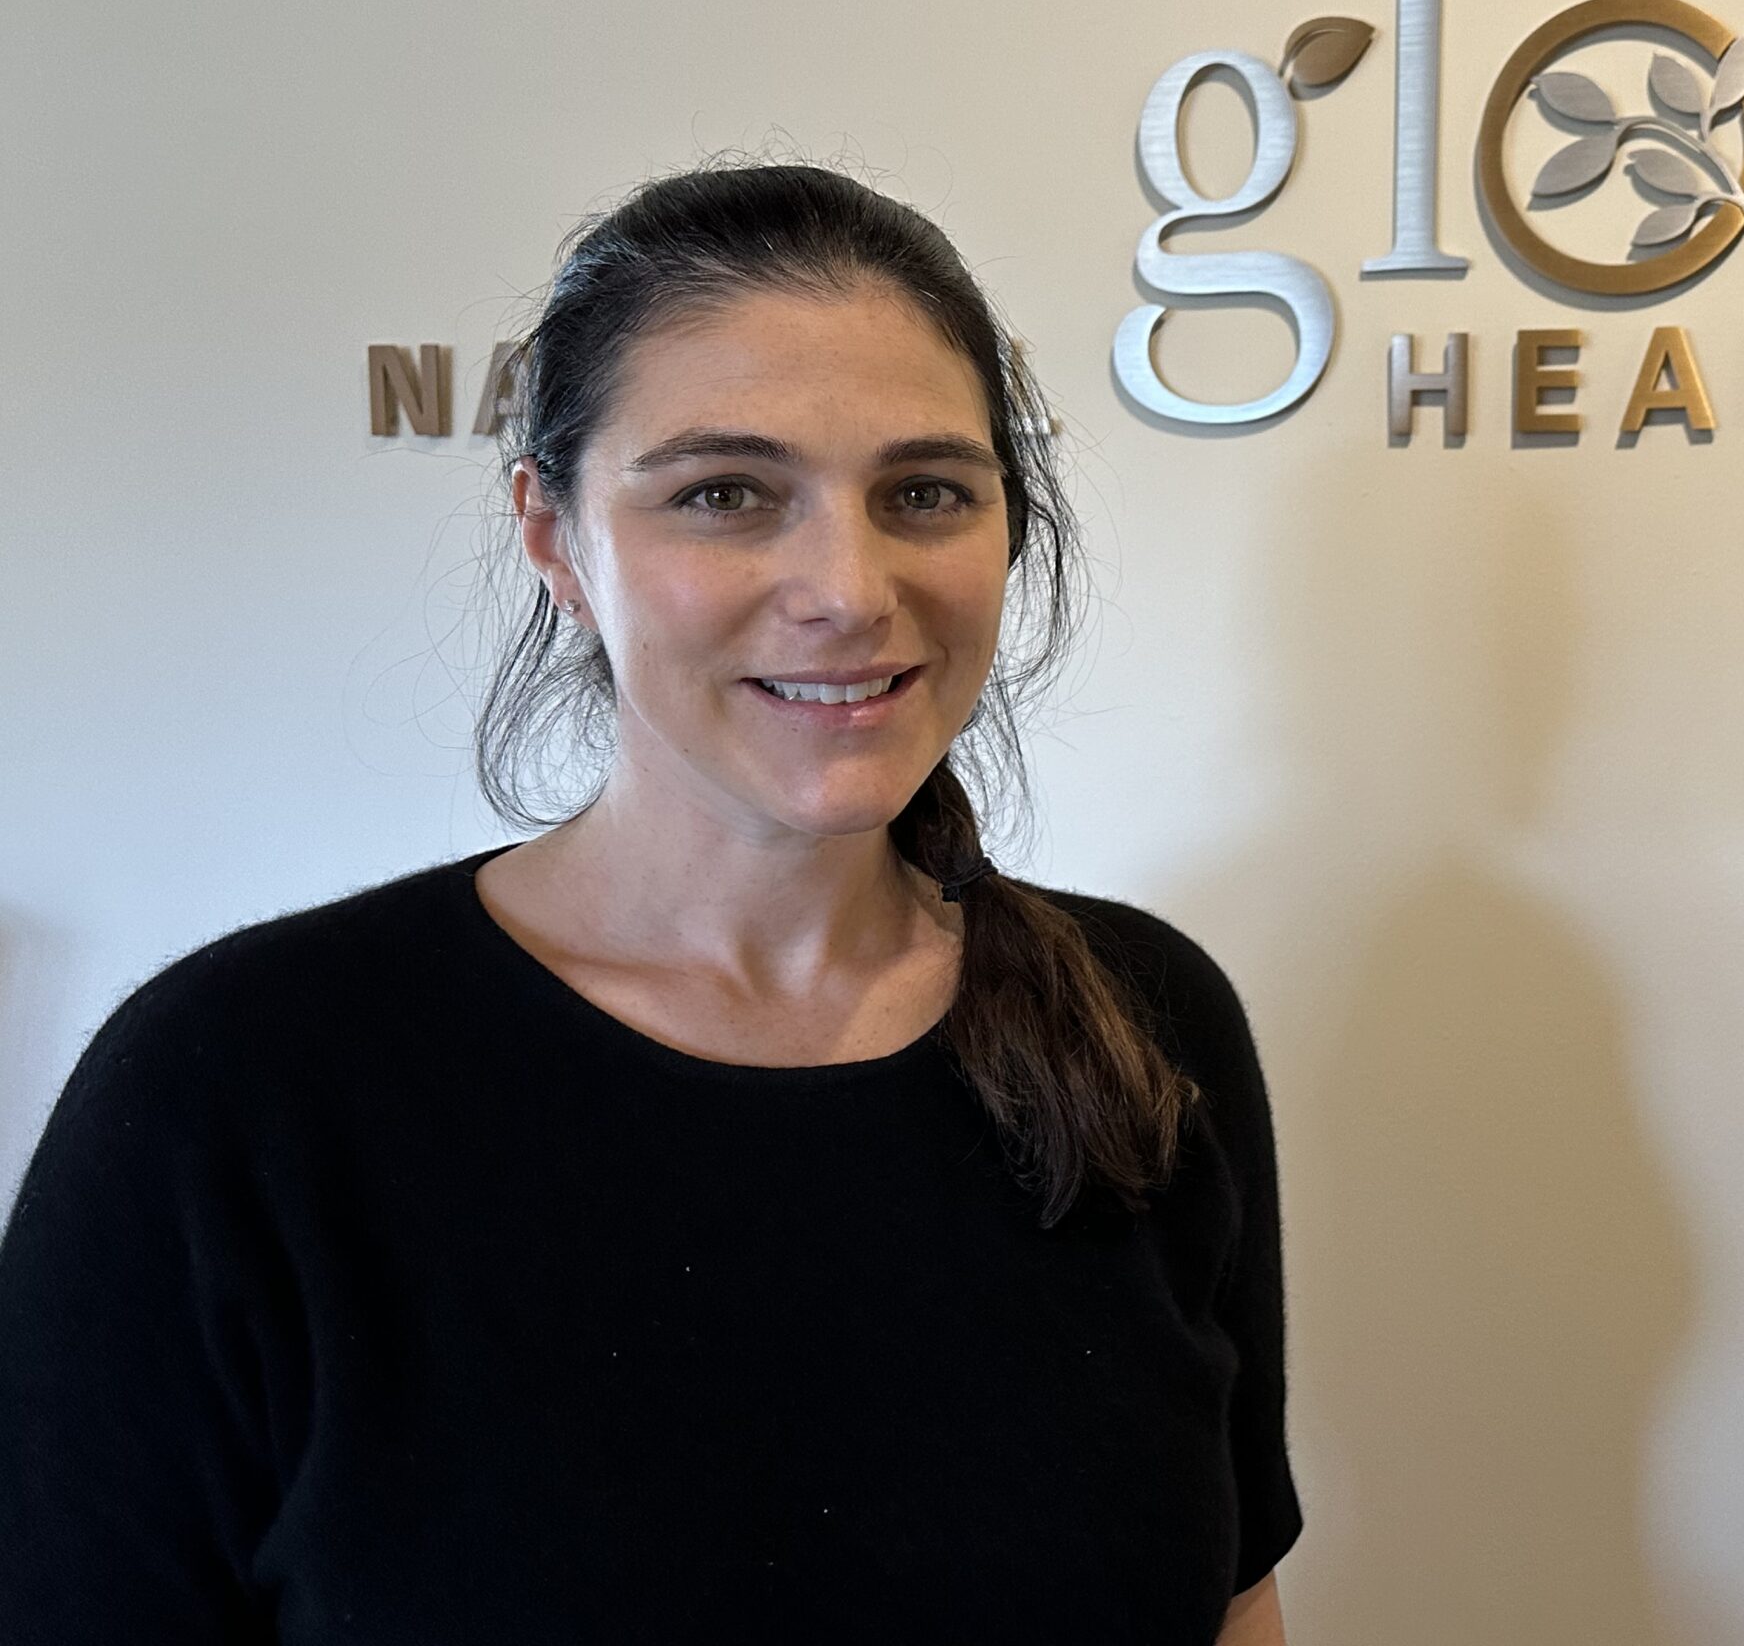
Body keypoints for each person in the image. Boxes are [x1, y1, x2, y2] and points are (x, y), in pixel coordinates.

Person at [0, 162, 1301, 1643]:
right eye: (724, 494)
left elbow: (1234, 1609)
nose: (848, 587)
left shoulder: (1144, 1018)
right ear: (555, 538)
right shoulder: (233, 1093)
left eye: (924, 493)